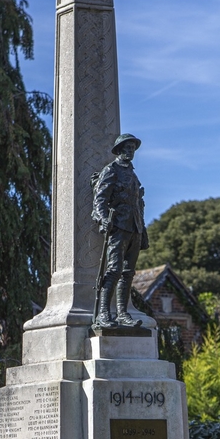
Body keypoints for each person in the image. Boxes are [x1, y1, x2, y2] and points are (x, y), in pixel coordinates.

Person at [91, 133, 148, 328]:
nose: (131, 151)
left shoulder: (132, 174)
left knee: (128, 273)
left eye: (133, 148)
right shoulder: (111, 170)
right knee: (114, 270)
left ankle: (123, 313)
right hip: (119, 226)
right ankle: (104, 314)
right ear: (120, 149)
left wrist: (143, 228)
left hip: (135, 228)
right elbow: (100, 198)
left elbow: (138, 203)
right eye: (128, 147)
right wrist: (102, 218)